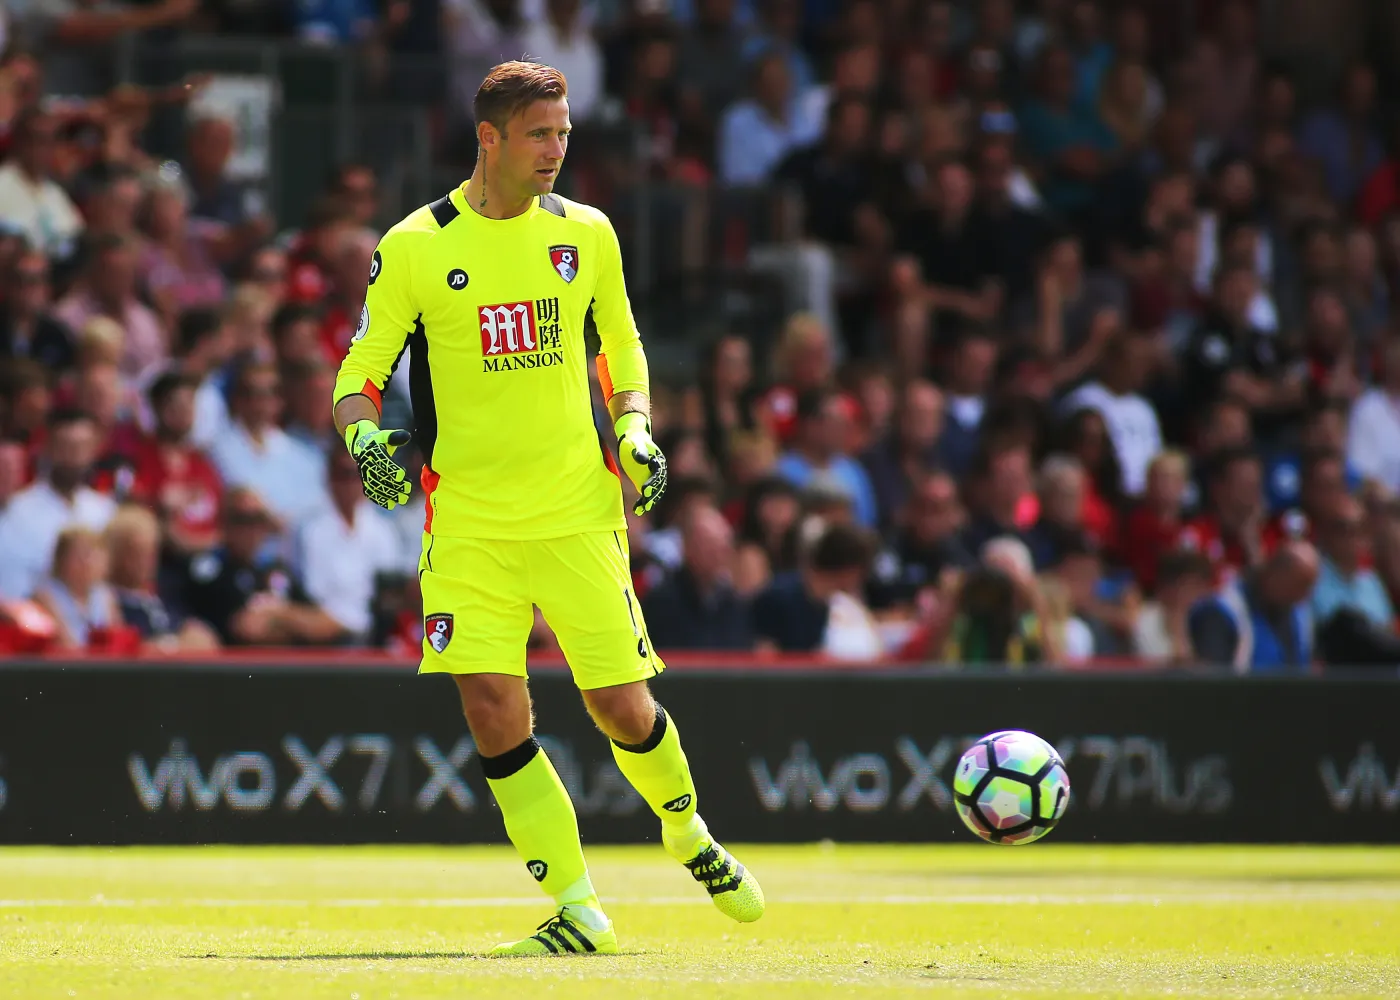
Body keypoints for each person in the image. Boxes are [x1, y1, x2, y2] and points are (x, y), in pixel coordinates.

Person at [330, 62, 762, 957]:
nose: (557, 149)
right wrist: (366, 441)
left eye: (563, 133)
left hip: (575, 513)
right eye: (539, 134)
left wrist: (634, 429)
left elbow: (620, 345)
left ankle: (686, 830)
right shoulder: (416, 245)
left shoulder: (587, 233)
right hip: (469, 523)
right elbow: (359, 374)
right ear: (488, 138)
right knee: (492, 705)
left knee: (621, 708)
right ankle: (578, 906)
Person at [175, 487, 343, 646]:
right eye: (242, 519)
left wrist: (279, 613)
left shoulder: (276, 569)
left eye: (259, 519)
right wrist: (298, 623)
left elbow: (329, 624)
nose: (251, 529)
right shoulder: (209, 570)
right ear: (224, 523)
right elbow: (247, 629)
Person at [0, 408, 117, 599]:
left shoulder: (105, 510)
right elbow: (12, 585)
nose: (74, 456)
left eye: (81, 447)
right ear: (48, 448)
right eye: (65, 446)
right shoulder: (17, 511)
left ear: (95, 450)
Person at [295, 443, 402, 642]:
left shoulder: (383, 531)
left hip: (373, 629)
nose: (352, 483)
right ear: (329, 477)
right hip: (325, 629)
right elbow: (314, 594)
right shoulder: (311, 530)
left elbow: (388, 593)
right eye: (344, 474)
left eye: (359, 474)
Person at [1188, 540, 1320, 673]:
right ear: (1276, 574)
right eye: (1299, 586)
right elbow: (1212, 675)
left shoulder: (1301, 615)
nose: (1303, 596)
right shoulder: (1222, 610)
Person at [641, 503, 754, 650]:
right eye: (709, 545)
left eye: (724, 544)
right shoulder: (662, 602)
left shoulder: (735, 602)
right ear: (687, 546)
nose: (719, 554)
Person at [33, 526, 121, 649]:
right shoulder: (45, 596)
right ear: (61, 560)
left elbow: (118, 640)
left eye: (91, 554)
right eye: (78, 555)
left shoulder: (105, 596)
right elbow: (65, 643)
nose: (86, 563)